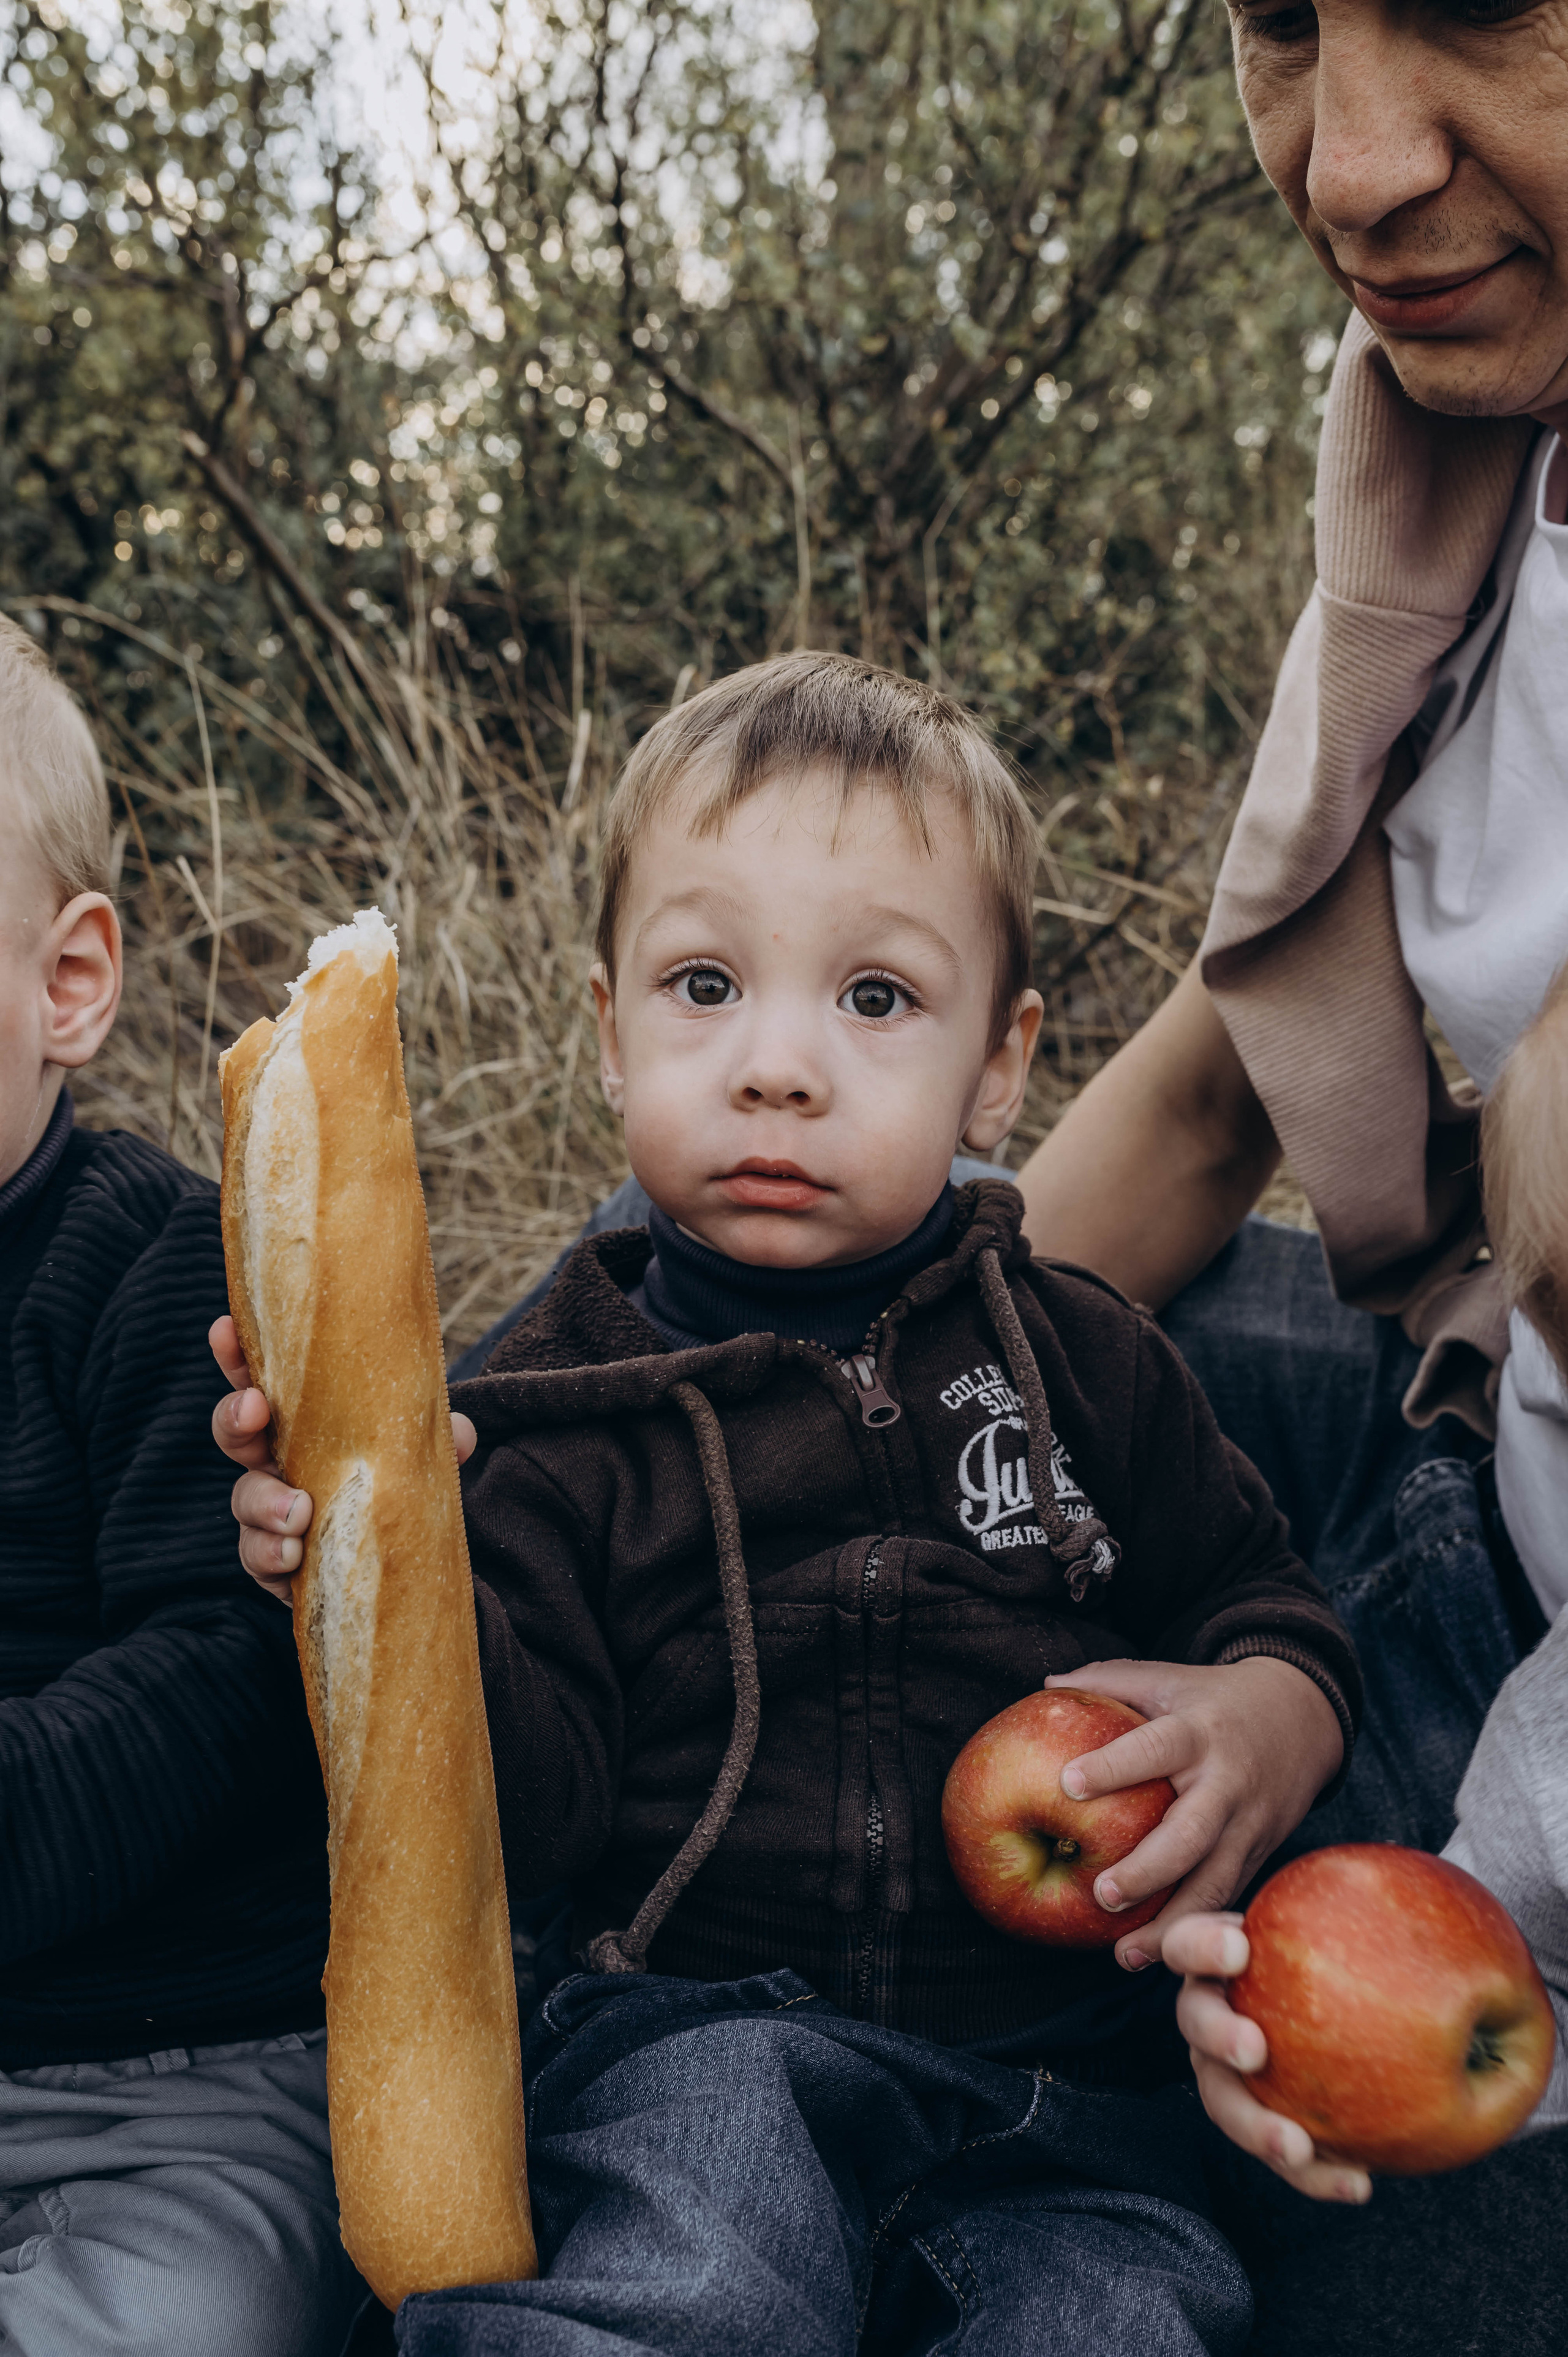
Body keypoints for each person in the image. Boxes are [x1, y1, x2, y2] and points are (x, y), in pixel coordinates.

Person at [217, 653, 1362, 2355]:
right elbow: (518, 1831)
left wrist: (1274, 1719)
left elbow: (1257, 1592)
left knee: (1120, 2320)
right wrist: (393, 1588)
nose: (778, 1067)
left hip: (1067, 2098)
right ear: (608, 1031)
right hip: (703, 2054)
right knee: (673, 2289)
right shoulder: (538, 1413)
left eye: (877, 1001)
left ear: (1002, 1068)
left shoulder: (1086, 1364)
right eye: (703, 983)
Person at [0, 620, 366, 2356]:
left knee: (165, 2324)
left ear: (66, 985)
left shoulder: (147, 1271)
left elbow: (217, 1674)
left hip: (170, 2085)